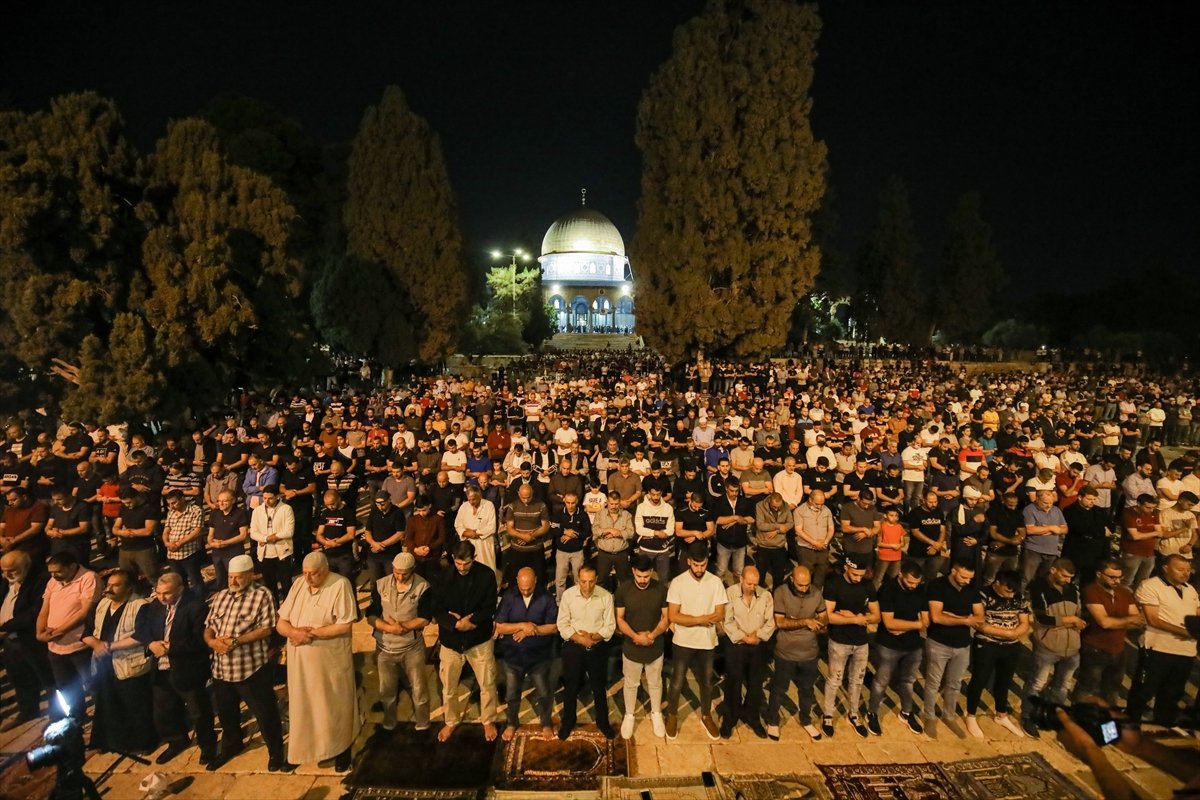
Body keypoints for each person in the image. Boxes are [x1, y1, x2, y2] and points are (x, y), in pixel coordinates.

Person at [204, 554, 291, 772]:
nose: (233, 582)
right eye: (231, 578)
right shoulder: (221, 596)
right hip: (221, 668)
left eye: (238, 578)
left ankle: (275, 752)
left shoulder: (262, 595)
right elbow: (209, 625)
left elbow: (266, 629)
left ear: (250, 576)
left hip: (250, 669)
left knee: (265, 713)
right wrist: (212, 641)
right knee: (227, 713)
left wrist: (236, 641)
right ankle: (232, 745)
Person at [277, 552, 359, 771]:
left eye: (313, 574)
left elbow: (344, 625)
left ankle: (342, 748)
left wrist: (311, 634)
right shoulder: (298, 586)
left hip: (329, 662)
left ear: (325, 570)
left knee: (333, 705)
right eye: (305, 573)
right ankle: (304, 751)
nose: (308, 578)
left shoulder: (340, 585)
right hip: (300, 665)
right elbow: (281, 623)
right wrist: (295, 632)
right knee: (304, 708)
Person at [133, 572, 218, 765]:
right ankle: (176, 740)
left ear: (180, 590)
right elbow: (142, 630)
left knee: (199, 711)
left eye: (167, 594)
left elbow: (199, 641)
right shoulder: (155, 606)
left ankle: (208, 746)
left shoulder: (196, 607)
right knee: (163, 711)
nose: (162, 598)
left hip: (187, 668)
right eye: (158, 593)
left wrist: (171, 647)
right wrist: (151, 644)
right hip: (162, 669)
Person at [430, 541, 499, 743]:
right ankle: (451, 721)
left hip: (478, 639)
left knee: (487, 683)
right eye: (458, 563)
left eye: (466, 564)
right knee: (449, 687)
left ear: (474, 558)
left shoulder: (486, 575)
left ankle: (488, 719)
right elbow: (436, 608)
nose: (462, 568)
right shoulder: (443, 577)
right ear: (453, 559)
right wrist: (456, 623)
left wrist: (472, 621)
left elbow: (490, 606)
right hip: (451, 641)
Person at [83, 568, 157, 754]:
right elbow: (87, 632)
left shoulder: (141, 605)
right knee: (107, 703)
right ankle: (112, 742)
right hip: (104, 665)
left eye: (116, 585)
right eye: (109, 585)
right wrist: (97, 645)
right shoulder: (102, 604)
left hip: (128, 663)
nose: (109, 589)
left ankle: (143, 743)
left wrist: (109, 646)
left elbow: (142, 635)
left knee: (134, 705)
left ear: (129, 588)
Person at [664, 541, 726, 740]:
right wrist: (700, 619)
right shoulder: (678, 582)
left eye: (703, 565)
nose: (699, 569)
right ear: (689, 561)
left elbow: (720, 613)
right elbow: (673, 616)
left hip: (707, 641)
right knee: (677, 680)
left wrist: (690, 618)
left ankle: (706, 714)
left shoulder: (715, 582)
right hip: (683, 641)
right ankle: (672, 714)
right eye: (696, 565)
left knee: (707, 681)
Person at [1126, 553, 1198, 727]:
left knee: (1172, 693)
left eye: (1188, 570)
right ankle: (1129, 726)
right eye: (1180, 569)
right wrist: (1186, 631)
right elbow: (1153, 619)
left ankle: (1162, 726)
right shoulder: (1151, 586)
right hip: (1158, 649)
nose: (1185, 573)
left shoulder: (1191, 590)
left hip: (1186, 652)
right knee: (1143, 691)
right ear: (1165, 568)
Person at [367, 552, 432, 732]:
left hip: (412, 648)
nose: (400, 577)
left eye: (404, 573)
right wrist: (388, 628)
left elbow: (425, 617)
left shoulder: (423, 587)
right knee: (387, 690)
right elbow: (371, 615)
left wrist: (403, 627)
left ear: (412, 570)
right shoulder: (381, 585)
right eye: (397, 572)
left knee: (418, 688)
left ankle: (423, 722)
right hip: (385, 648)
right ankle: (389, 721)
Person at [964, 570, 1030, 739]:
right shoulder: (982, 594)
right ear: (997, 583)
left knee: (1005, 681)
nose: (1011, 595)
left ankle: (1001, 714)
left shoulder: (1018, 597)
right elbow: (979, 623)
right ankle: (971, 715)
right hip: (987, 644)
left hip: (1011, 646)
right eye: (1008, 591)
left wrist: (1016, 633)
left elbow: (1024, 622)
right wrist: (1004, 633)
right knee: (979, 679)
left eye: (1013, 591)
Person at [922, 556, 983, 739]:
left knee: (954, 684)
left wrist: (952, 616)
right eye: (964, 577)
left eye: (970, 578)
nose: (967, 581)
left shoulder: (971, 589)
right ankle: (929, 716)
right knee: (933, 683)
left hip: (962, 645)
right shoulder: (937, 586)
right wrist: (965, 619)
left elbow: (980, 618)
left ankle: (949, 715)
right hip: (939, 642)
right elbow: (937, 617)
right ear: (954, 570)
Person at [494, 566, 558, 740]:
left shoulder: (546, 597)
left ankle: (545, 723)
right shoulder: (509, 597)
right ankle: (511, 723)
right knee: (512, 694)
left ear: (535, 581)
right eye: (522, 589)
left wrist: (532, 630)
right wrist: (522, 625)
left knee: (544, 693)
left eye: (529, 588)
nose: (526, 591)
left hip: (539, 657)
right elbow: (499, 626)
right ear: (517, 581)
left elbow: (553, 627)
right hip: (513, 657)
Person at [765, 564, 826, 741]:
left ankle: (806, 720)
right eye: (800, 585)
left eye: (807, 584)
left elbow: (824, 618)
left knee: (807, 690)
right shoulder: (781, 592)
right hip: (786, 652)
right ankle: (773, 721)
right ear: (792, 580)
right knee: (779, 689)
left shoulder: (815, 593)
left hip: (809, 653)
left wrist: (812, 622)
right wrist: (806, 621)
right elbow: (781, 622)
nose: (804, 588)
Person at [36, 550, 98, 723]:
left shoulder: (88, 578)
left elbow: (84, 612)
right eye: (51, 572)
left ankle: (104, 716)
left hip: (79, 645)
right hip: (55, 647)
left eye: (58, 572)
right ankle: (78, 716)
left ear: (72, 567)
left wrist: (60, 631)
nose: (54, 576)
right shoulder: (53, 582)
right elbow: (44, 608)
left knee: (92, 683)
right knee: (66, 685)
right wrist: (39, 632)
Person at [867, 560, 927, 736]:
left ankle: (906, 712)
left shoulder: (921, 589)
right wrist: (915, 624)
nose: (913, 586)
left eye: (916, 583)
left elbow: (925, 621)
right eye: (910, 582)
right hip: (889, 644)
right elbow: (889, 623)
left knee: (908, 681)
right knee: (881, 681)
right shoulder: (888, 589)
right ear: (900, 574)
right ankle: (872, 712)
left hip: (913, 645)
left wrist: (907, 626)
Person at [556, 564, 616, 739]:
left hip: (597, 646)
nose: (587, 586)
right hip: (574, 646)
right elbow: (562, 624)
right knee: (571, 686)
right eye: (583, 582)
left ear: (596, 580)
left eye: (591, 582)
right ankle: (568, 722)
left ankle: (602, 722)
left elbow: (610, 626)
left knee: (599, 686)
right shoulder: (568, 596)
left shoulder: (606, 596)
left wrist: (594, 637)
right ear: (577, 580)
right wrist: (581, 638)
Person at [821, 557, 879, 738]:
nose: (857, 578)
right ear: (846, 567)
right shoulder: (833, 585)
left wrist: (853, 616)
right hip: (839, 641)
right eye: (854, 574)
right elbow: (827, 617)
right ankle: (828, 714)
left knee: (857, 680)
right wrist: (856, 619)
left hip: (861, 642)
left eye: (861, 575)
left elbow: (876, 615)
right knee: (835, 679)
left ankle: (853, 714)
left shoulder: (868, 585)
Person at [614, 553, 670, 740]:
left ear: (652, 572)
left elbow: (666, 618)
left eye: (646, 576)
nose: (643, 580)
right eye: (639, 576)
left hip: (655, 645)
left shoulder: (661, 589)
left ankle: (656, 714)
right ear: (633, 571)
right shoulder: (623, 590)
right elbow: (619, 619)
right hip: (632, 645)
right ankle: (629, 715)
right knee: (631, 684)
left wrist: (651, 636)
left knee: (655, 683)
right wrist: (635, 636)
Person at [1075, 559, 1144, 706]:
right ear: (1099, 574)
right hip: (1095, 648)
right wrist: (1126, 620)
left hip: (1119, 648)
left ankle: (1107, 723)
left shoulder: (1125, 593)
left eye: (1119, 577)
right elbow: (1104, 622)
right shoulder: (1091, 591)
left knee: (1112, 690)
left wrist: (1116, 622)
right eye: (1112, 577)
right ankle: (1080, 719)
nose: (1116, 581)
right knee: (1088, 687)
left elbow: (1138, 621)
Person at [1, 551, 54, 730]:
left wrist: (5, 627)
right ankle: (28, 711)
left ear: (26, 566)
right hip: (11, 642)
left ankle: (58, 716)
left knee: (48, 680)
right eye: (4, 570)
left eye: (12, 570)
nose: (7, 574)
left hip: (31, 640)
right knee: (20, 679)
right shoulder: (6, 583)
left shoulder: (40, 580)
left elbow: (34, 612)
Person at [720, 565, 774, 738]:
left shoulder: (765, 595)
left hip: (757, 644)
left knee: (756, 683)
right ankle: (730, 717)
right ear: (741, 580)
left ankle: (752, 716)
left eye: (755, 584)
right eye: (749, 583)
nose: (752, 587)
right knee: (733, 683)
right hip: (737, 645)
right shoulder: (730, 593)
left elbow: (770, 621)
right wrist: (743, 637)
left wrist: (757, 636)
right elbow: (726, 621)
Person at [248, 484, 295, 601]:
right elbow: (253, 532)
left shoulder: (286, 509)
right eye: (264, 498)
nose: (267, 501)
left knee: (286, 585)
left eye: (270, 498)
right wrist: (266, 538)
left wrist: (276, 537)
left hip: (283, 552)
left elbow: (289, 531)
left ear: (277, 496)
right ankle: (274, 609)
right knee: (270, 586)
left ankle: (288, 612)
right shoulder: (257, 511)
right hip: (265, 553)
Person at [502, 482, 550, 587]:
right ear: (519, 494)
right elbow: (509, 528)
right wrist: (523, 536)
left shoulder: (541, 505)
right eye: (523, 497)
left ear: (532, 493)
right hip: (517, 549)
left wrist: (531, 536)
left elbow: (545, 526)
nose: (526, 500)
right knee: (515, 579)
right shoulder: (512, 506)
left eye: (528, 497)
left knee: (539, 578)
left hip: (536, 549)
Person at [112, 489, 161, 587]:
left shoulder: (149, 508)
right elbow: (115, 528)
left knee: (153, 576)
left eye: (129, 502)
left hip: (144, 549)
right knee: (128, 578)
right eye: (124, 503)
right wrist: (122, 532)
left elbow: (148, 531)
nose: (127, 505)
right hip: (125, 549)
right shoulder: (124, 508)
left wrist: (129, 532)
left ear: (136, 497)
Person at [551, 491, 591, 601]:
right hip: (561, 552)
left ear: (577, 502)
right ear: (564, 501)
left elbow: (587, 532)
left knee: (579, 580)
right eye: (568, 502)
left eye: (573, 503)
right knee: (560, 580)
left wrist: (573, 534)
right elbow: (553, 530)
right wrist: (564, 531)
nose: (570, 505)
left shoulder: (583, 515)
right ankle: (560, 602)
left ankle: (578, 601)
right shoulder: (558, 514)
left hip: (577, 552)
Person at [207, 489, 250, 590]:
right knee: (220, 580)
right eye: (219, 500)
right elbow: (210, 534)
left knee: (236, 581)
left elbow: (243, 535)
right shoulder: (215, 513)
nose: (221, 503)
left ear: (233, 500)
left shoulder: (240, 513)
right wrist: (211, 543)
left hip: (233, 553)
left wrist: (225, 543)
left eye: (225, 501)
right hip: (217, 553)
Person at [793, 489, 835, 589]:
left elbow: (831, 528)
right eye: (817, 504)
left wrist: (825, 541)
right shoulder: (799, 511)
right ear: (810, 500)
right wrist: (814, 542)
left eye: (822, 504)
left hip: (822, 549)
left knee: (820, 578)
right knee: (805, 577)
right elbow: (798, 530)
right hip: (806, 550)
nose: (820, 506)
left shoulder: (826, 510)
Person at [634, 485, 676, 583]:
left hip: (663, 551)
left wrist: (649, 532)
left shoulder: (668, 508)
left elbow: (670, 530)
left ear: (661, 493)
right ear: (649, 493)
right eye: (653, 494)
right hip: (645, 550)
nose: (656, 497)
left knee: (663, 580)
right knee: (643, 579)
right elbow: (639, 529)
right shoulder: (641, 507)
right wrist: (656, 532)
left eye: (658, 494)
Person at [593, 490, 635, 589]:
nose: (613, 506)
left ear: (620, 502)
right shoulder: (600, 514)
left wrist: (617, 533)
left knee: (625, 581)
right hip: (604, 554)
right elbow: (595, 530)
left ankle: (622, 603)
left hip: (621, 554)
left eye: (616, 504)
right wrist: (608, 530)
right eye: (611, 503)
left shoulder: (626, 515)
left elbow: (631, 532)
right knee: (601, 581)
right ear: (607, 501)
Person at [454, 484, 499, 576]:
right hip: (468, 543)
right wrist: (466, 533)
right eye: (469, 499)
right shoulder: (464, 506)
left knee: (487, 570)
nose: (471, 502)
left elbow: (491, 527)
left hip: (484, 544)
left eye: (473, 499)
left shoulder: (488, 505)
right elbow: (458, 524)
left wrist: (475, 533)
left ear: (480, 496)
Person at [313, 488, 357, 580]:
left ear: (338, 499)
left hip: (344, 555)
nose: (330, 507)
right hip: (328, 554)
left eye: (332, 504)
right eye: (327, 505)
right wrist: (326, 543)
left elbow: (350, 534)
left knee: (347, 582)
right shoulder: (325, 513)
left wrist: (335, 542)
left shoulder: (348, 512)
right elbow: (319, 534)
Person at [753, 492, 793, 589]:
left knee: (779, 577)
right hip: (764, 546)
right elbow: (760, 525)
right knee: (760, 576)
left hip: (779, 547)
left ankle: (776, 599)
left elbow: (790, 523)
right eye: (774, 506)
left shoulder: (785, 506)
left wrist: (777, 531)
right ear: (769, 501)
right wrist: (779, 526)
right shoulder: (760, 506)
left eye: (778, 507)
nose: (776, 509)